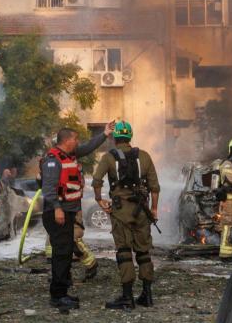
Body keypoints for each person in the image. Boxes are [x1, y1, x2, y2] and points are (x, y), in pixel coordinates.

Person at [40, 122, 113, 312]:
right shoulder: (52, 159)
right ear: (67, 140)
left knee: (65, 253)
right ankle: (58, 296)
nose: (78, 141)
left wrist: (104, 134)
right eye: (75, 138)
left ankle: (62, 291)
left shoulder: (70, 155)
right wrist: (57, 208)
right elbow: (48, 188)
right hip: (58, 213)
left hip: (69, 212)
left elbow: (89, 147)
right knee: (61, 253)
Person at [92, 121, 160, 309]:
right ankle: (147, 295)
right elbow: (154, 187)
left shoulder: (108, 157)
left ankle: (127, 297)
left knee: (124, 252)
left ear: (115, 138)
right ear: (130, 136)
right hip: (141, 212)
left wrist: (100, 200)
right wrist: (154, 209)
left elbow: (97, 181)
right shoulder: (144, 156)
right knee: (144, 252)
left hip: (121, 211)